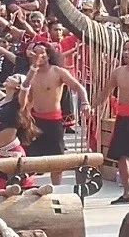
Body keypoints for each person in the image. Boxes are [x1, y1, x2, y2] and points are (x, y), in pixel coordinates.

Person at [94, 39, 129, 205]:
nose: (126, 53)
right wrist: (92, 106)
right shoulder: (118, 72)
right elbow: (106, 91)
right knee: (120, 156)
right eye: (124, 49)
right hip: (122, 117)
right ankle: (127, 193)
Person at [26, 42, 90, 184]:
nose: (38, 56)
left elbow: (78, 87)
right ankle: (29, 188)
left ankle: (56, 190)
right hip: (35, 121)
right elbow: (25, 95)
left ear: (48, 55)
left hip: (54, 122)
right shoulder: (31, 74)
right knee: (30, 159)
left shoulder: (58, 71)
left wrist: (85, 102)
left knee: (57, 160)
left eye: (41, 53)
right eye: (35, 53)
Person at [0, 49, 39, 195]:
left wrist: (33, 68)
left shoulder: (18, 103)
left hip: (11, 152)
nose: (9, 77)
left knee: (17, 189)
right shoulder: (1, 99)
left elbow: (26, 87)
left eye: (14, 77)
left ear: (18, 86)